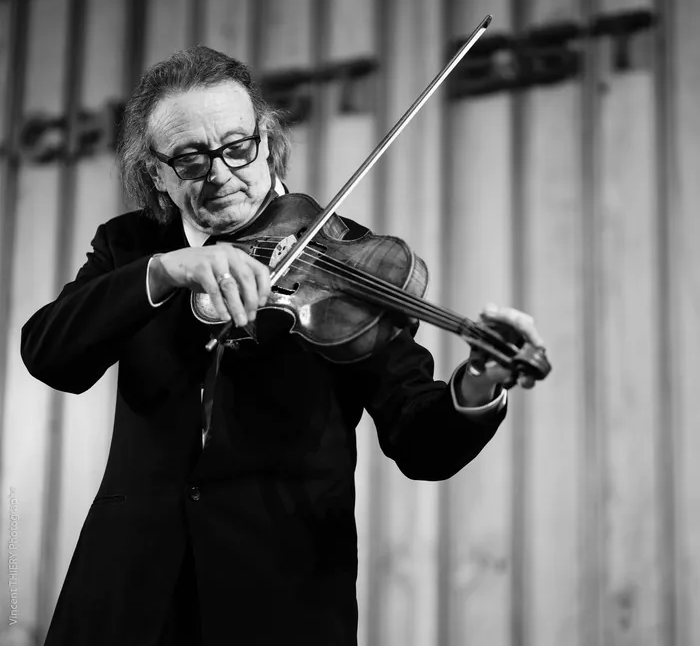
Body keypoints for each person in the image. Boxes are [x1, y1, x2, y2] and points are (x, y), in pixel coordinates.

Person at [21, 46, 547, 646]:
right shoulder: (133, 247)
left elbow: (420, 440)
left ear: (267, 142)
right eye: (190, 159)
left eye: (237, 146)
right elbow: (49, 354)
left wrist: (478, 384)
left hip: (280, 594)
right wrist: (168, 271)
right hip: (127, 594)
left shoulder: (350, 261)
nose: (220, 173)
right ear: (158, 174)